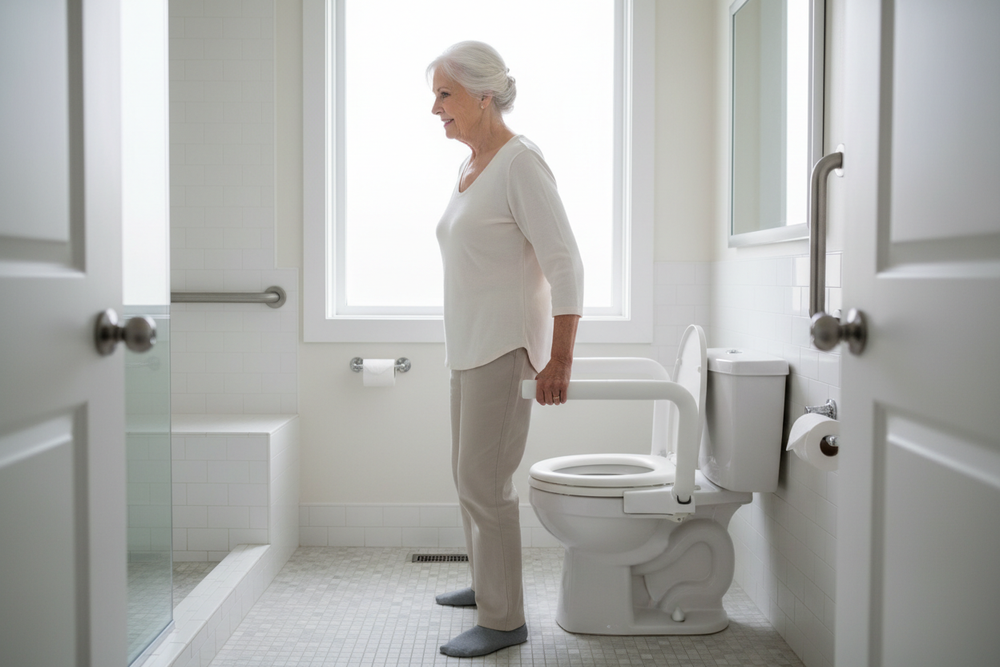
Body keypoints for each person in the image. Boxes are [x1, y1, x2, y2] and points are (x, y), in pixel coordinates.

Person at [427, 41, 585, 658]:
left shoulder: (520, 162)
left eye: (445, 94)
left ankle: (503, 619)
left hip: (505, 346)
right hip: (469, 346)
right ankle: (486, 585)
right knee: (468, 477)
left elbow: (565, 265)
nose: (435, 108)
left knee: (486, 481)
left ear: (483, 95)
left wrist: (561, 358)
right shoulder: (472, 166)